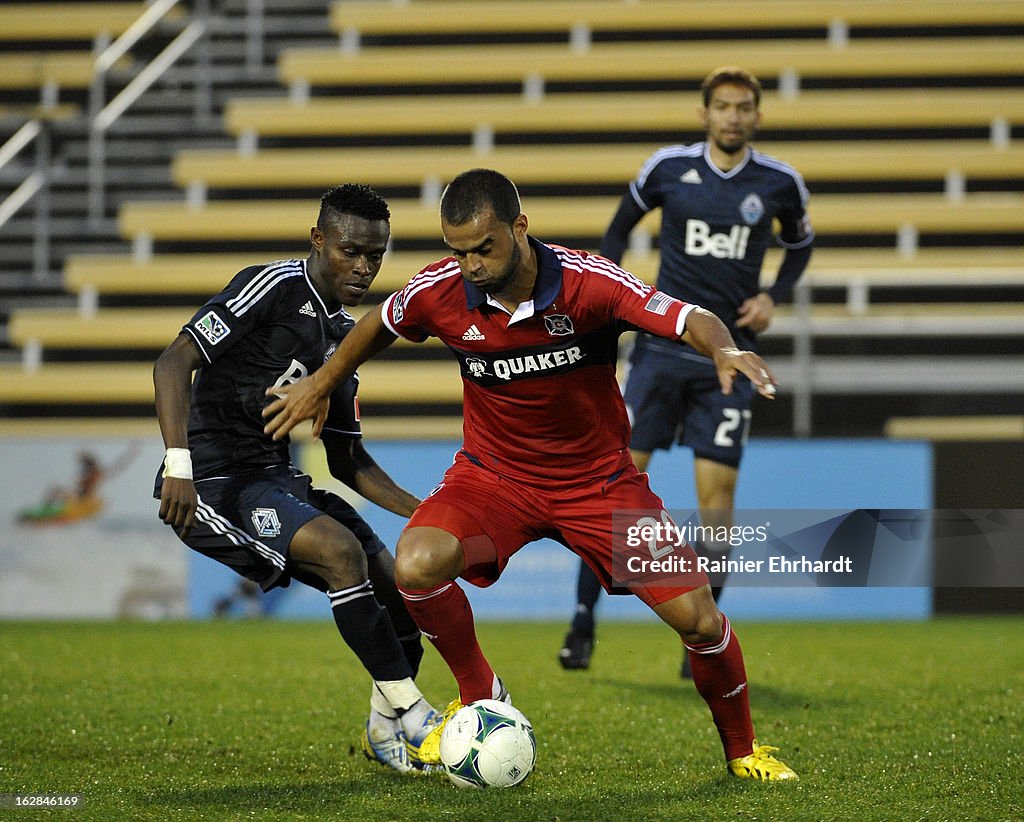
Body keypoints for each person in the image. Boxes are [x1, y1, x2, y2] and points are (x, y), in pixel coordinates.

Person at [263, 169, 799, 781]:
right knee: (415, 564)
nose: (469, 265)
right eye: (457, 251)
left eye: (483, 248)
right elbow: (376, 327)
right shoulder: (439, 290)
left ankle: (743, 751)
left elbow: (685, 316)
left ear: (520, 228)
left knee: (701, 621)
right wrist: (320, 385)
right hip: (494, 480)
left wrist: (724, 348)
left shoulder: (588, 282)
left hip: (599, 485)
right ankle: (482, 694)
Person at [153, 183, 440, 775]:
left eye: (376, 256)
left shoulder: (344, 337)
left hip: (277, 482)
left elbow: (347, 460)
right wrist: (178, 462)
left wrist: (427, 510)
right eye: (350, 251)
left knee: (403, 589)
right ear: (319, 240)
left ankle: (383, 730)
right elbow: (173, 361)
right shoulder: (275, 287)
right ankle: (416, 716)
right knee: (340, 553)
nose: (363, 268)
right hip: (210, 482)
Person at [560, 66, 814, 676]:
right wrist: (609, 301)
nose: (733, 116)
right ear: (705, 113)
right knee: (615, 489)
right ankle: (583, 619)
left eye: (743, 107)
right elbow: (617, 231)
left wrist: (775, 293)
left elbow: (800, 243)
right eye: (723, 106)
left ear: (757, 114)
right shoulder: (667, 169)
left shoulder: (780, 183)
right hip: (661, 351)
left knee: (717, 505)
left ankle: (702, 634)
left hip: (729, 358)